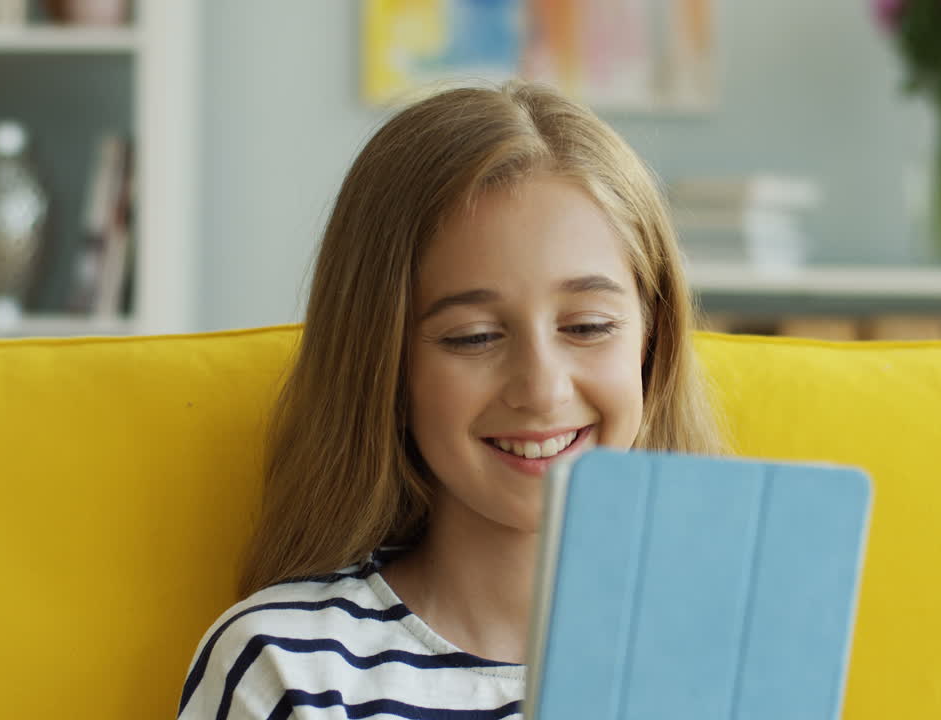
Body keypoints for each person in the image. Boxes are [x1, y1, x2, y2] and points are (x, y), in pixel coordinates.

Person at [176, 80, 722, 720]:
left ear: (652, 340)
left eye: (587, 327)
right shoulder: (285, 664)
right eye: (476, 337)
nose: (542, 390)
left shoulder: (730, 652)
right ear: (384, 366)